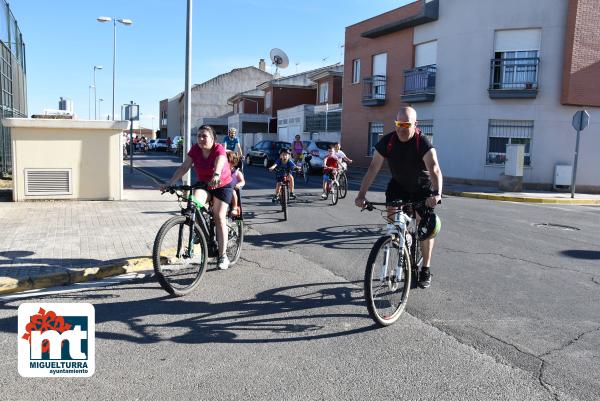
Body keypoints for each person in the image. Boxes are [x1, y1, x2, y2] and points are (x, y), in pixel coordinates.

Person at [354, 106, 443, 289]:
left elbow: (435, 169)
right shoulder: (388, 141)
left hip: (422, 188)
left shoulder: (422, 142)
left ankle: (425, 268)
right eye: (398, 124)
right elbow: (373, 169)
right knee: (392, 221)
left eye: (406, 124)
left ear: (415, 124)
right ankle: (401, 238)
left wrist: (437, 193)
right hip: (399, 186)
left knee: (423, 228)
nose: (402, 128)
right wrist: (361, 195)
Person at [161, 125, 234, 270]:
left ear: (213, 139)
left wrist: (216, 175)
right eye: (199, 135)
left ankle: (223, 255)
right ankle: (202, 229)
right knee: (194, 202)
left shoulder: (218, 148)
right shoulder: (195, 149)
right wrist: (170, 183)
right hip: (205, 184)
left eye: (204, 136)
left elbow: (220, 162)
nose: (201, 138)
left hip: (222, 184)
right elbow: (184, 167)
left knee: (219, 217)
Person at [227, 151, 245, 218]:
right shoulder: (223, 171)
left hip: (233, 188)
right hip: (224, 188)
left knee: (233, 192)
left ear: (233, 163)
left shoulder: (237, 172)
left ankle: (234, 207)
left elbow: (242, 181)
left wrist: (238, 185)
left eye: (228, 162)